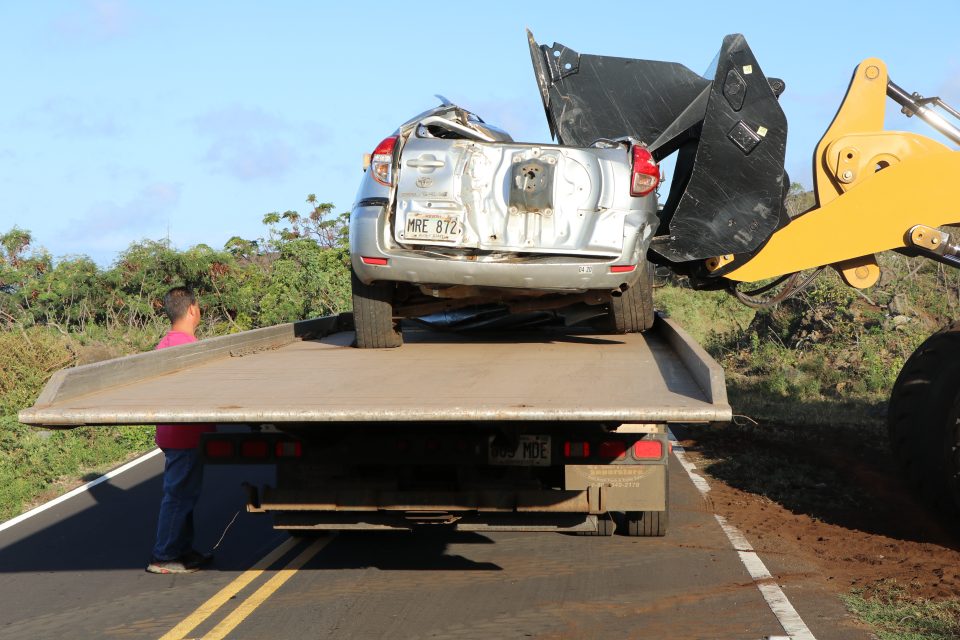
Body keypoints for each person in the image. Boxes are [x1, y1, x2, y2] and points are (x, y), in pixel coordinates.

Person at [146, 287, 216, 574]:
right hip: (185, 434)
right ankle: (164, 555)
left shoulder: (163, 346)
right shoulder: (189, 349)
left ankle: (183, 551)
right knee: (177, 495)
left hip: (171, 432)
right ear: (191, 310)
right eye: (198, 306)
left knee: (184, 493)